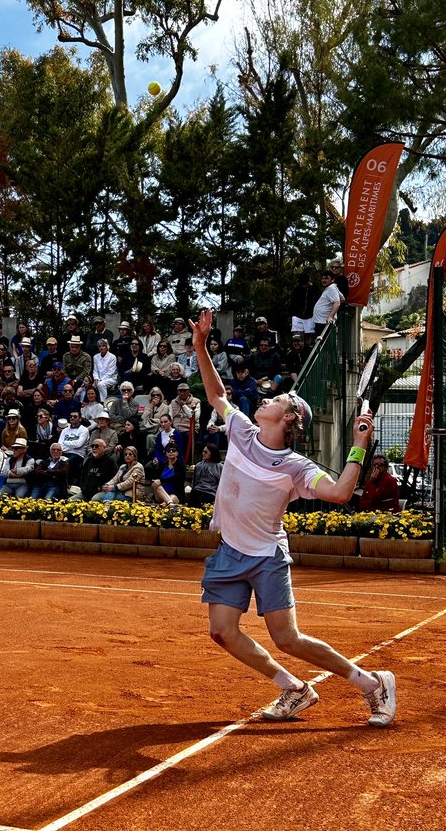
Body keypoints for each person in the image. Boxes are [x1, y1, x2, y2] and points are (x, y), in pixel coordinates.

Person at [189, 307, 397, 727]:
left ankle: (373, 683)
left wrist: (360, 444)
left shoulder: (297, 467)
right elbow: (216, 395)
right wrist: (200, 346)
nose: (266, 397)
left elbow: (340, 493)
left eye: (277, 398)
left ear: (288, 418)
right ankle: (294, 688)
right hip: (230, 549)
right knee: (222, 632)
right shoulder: (242, 431)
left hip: (266, 555)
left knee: (288, 638)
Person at [189, 442, 224, 506]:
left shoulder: (219, 467)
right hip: (197, 491)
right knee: (194, 494)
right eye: (203, 452)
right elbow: (194, 482)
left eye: (205, 452)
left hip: (211, 493)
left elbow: (221, 484)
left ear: (212, 453)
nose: (203, 454)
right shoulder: (199, 465)